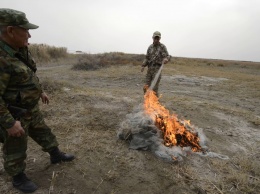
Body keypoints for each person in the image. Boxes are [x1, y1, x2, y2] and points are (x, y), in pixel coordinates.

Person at [0, 8, 75, 193]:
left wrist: (40, 91)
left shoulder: (20, 50)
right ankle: (17, 177)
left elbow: (29, 74)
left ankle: (55, 154)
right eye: (25, 30)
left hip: (30, 108)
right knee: (15, 147)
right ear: (10, 31)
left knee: (43, 131)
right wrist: (9, 123)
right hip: (14, 113)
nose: (30, 35)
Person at [141, 31, 171, 96]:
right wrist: (143, 65)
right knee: (146, 87)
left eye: (158, 38)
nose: (156, 39)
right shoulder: (150, 47)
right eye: (155, 38)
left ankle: (155, 103)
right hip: (150, 69)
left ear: (160, 38)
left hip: (157, 70)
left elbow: (167, 56)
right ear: (153, 38)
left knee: (154, 89)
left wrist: (166, 59)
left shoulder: (162, 47)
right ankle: (147, 102)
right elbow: (147, 57)